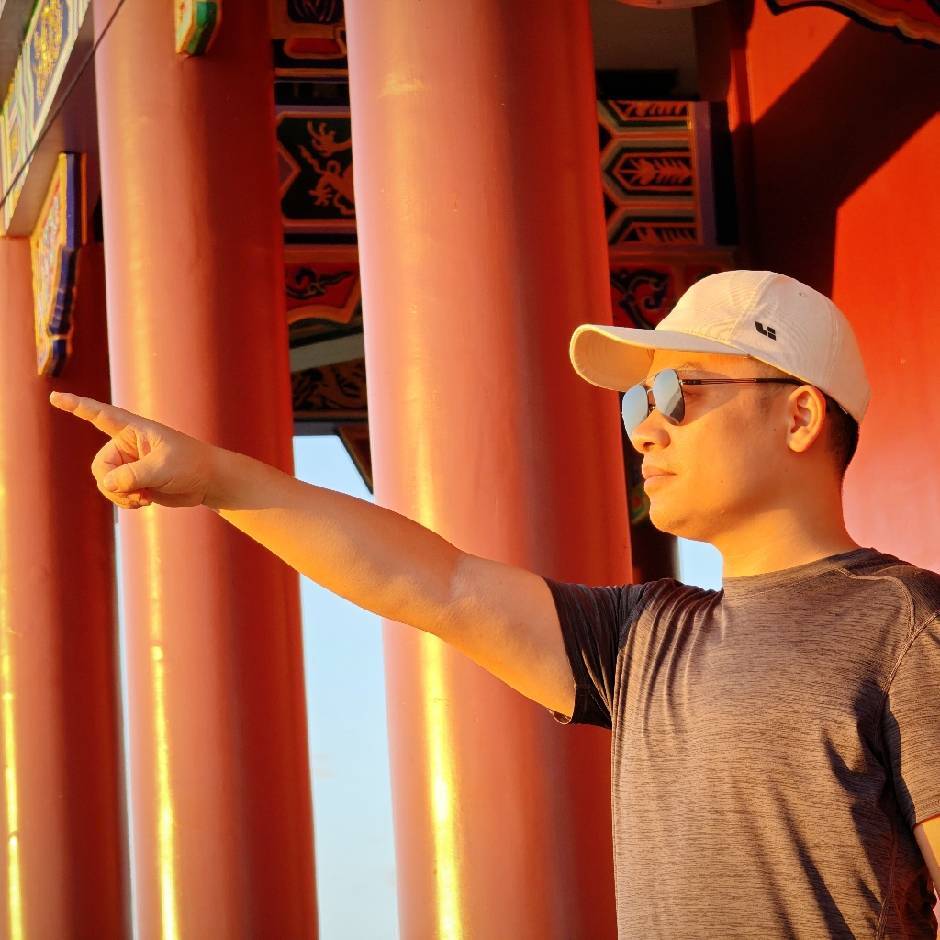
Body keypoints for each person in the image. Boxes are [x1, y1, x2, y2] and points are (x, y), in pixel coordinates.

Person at [51, 269, 939, 937]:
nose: (644, 427)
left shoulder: (905, 626)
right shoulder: (643, 636)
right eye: (639, 398)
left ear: (798, 416)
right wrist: (215, 479)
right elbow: (436, 584)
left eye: (680, 391)